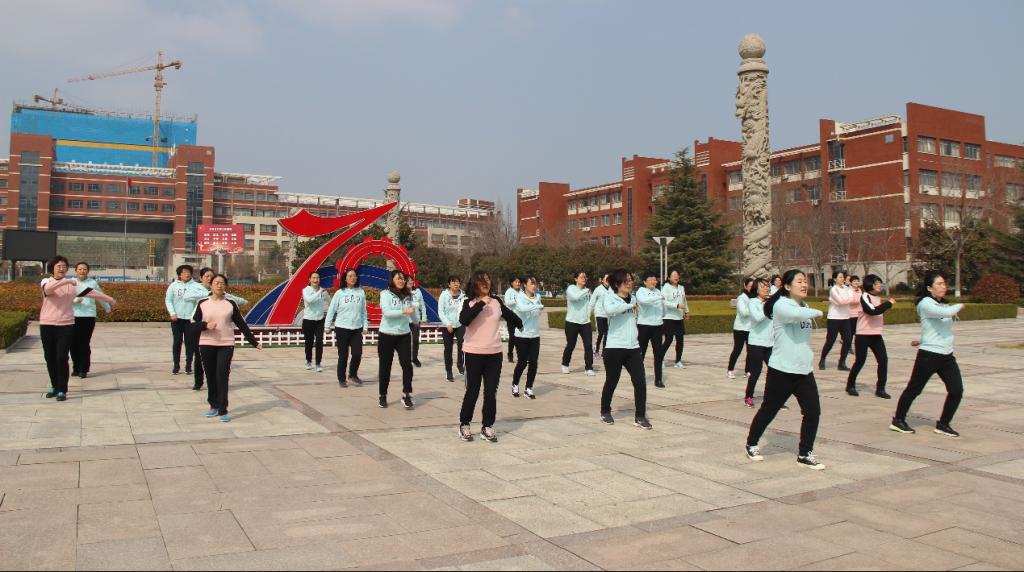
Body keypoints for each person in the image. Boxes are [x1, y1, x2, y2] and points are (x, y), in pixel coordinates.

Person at [745, 269, 825, 470]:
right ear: (787, 286)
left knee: (813, 412)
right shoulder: (781, 305)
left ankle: (805, 453)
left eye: (805, 281)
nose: (804, 284)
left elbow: (801, 318)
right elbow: (795, 315)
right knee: (769, 409)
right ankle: (751, 443)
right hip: (782, 370)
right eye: (799, 281)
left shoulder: (804, 305)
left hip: (804, 370)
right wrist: (819, 311)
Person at [890, 272, 965, 437]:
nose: (943, 287)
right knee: (914, 389)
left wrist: (921, 339)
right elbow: (947, 313)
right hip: (929, 356)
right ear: (929, 288)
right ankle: (898, 420)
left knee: (956, 390)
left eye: (944, 283)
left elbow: (934, 328)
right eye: (939, 284)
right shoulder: (925, 303)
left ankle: (943, 424)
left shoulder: (942, 304)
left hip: (946, 355)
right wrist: (959, 305)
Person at [457, 271, 523, 442]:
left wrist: (520, 324)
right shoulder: (468, 302)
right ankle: (464, 424)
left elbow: (509, 314)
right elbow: (464, 320)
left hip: (494, 354)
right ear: (475, 284)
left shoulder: (496, 301)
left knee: (490, 392)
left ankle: (487, 426)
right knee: (472, 390)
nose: (485, 283)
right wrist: (480, 304)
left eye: (487, 280)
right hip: (473, 353)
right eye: (481, 281)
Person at [39, 256, 116, 401]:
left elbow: (91, 292)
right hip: (47, 325)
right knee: (50, 357)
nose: (62, 268)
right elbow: (49, 290)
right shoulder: (46, 281)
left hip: (66, 325)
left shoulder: (72, 285)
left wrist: (109, 299)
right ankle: (54, 386)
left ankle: (62, 390)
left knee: (62, 357)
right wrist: (67, 281)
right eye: (59, 266)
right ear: (52, 269)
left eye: (64, 266)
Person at [192, 274, 262, 422]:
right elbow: (193, 324)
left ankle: (223, 409)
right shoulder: (202, 303)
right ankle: (213, 405)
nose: (219, 285)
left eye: (222, 283)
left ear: (225, 286)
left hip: (226, 344)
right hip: (206, 343)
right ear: (210, 285)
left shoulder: (231, 304)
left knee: (222, 375)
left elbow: (241, 324)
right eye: (216, 283)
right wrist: (205, 325)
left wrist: (254, 342)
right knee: (211, 376)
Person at [599, 269, 651, 429]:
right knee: (612, 380)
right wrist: (628, 305)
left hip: (633, 348)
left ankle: (640, 416)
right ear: (617, 284)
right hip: (614, 347)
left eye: (630, 280)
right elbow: (610, 311)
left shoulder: (633, 298)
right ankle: (605, 411)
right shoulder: (610, 298)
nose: (629, 283)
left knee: (640, 381)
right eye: (626, 281)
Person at [183, 268, 249, 390]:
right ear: (201, 278)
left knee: (216, 362)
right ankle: (198, 381)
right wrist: (208, 295)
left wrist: (243, 301)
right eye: (207, 276)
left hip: (218, 332)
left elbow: (230, 298)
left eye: (211, 276)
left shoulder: (219, 290)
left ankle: (217, 381)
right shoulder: (194, 288)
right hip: (199, 325)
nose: (209, 278)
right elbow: (186, 297)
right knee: (199, 356)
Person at [846, 274, 895, 398]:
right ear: (870, 285)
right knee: (860, 361)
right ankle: (850, 385)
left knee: (883, 360)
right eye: (877, 283)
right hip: (863, 335)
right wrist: (888, 304)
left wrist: (885, 305)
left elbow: (877, 309)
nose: (880, 285)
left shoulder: (877, 298)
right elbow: (872, 311)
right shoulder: (864, 296)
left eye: (880, 283)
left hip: (876, 335)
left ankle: (880, 389)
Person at [378, 270, 417, 409]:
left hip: (404, 335)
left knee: (407, 365)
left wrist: (416, 320)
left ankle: (407, 394)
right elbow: (387, 313)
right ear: (392, 280)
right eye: (398, 278)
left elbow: (412, 311)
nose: (401, 281)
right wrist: (403, 311)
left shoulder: (408, 295)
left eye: (403, 279)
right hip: (386, 334)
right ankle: (382, 395)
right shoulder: (385, 294)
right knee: (385, 367)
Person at [325, 268, 369, 387]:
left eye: (354, 276)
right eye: (350, 276)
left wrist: (365, 325)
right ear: (345, 278)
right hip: (342, 328)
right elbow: (332, 310)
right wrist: (327, 325)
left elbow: (364, 311)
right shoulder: (340, 293)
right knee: (343, 355)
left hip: (356, 328)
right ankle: (341, 378)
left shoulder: (361, 292)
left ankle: (353, 375)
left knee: (357, 353)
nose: (353, 278)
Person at [71, 262, 112, 379]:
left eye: (84, 269)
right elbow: (64, 298)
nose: (82, 271)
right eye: (80, 269)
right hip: (72, 316)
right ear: (75, 271)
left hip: (88, 316)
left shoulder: (92, 283)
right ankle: (76, 367)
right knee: (72, 343)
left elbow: (100, 296)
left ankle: (83, 369)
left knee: (84, 343)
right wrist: (74, 300)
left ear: (88, 271)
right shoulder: (71, 283)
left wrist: (107, 308)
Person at [512, 276, 544, 399]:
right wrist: (537, 306)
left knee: (533, 362)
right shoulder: (519, 297)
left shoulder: (538, 297)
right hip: (522, 335)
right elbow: (522, 309)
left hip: (535, 335)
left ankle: (528, 388)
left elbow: (538, 311)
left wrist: (537, 306)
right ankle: (515, 384)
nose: (534, 286)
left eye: (535, 283)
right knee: (522, 362)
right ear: (525, 285)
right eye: (532, 283)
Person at [636, 271, 668, 389]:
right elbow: (644, 301)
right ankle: (639, 378)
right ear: (645, 282)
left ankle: (658, 379)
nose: (653, 281)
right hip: (644, 326)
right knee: (641, 353)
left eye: (654, 279)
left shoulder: (658, 291)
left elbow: (663, 306)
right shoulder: (641, 291)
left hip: (657, 326)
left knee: (658, 354)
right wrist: (659, 297)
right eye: (650, 279)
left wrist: (663, 317)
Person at [744, 278, 772, 408]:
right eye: (763, 286)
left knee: (774, 371)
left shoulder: (771, 302)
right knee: (756, 371)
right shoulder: (752, 302)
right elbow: (758, 318)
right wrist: (769, 306)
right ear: (756, 289)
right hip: (756, 343)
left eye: (767, 286)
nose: (766, 288)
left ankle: (772, 398)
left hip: (771, 342)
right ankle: (748, 396)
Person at [561, 271, 595, 377]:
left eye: (585, 277)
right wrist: (586, 291)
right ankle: (565, 364)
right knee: (571, 344)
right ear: (576, 279)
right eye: (581, 277)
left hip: (585, 322)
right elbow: (575, 297)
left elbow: (590, 304)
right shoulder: (571, 288)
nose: (584, 278)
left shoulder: (586, 291)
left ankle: (589, 368)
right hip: (572, 322)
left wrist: (588, 315)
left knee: (588, 345)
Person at [819, 270, 854, 371]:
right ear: (835, 279)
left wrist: (844, 300)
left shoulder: (847, 288)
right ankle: (822, 359)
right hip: (834, 318)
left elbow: (851, 299)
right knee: (830, 341)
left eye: (843, 277)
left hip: (845, 317)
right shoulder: (833, 289)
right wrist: (845, 300)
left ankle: (842, 362)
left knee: (848, 340)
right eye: (840, 277)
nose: (842, 279)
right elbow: (841, 301)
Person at [165, 264, 196, 376]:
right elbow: (168, 300)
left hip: (190, 320)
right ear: (179, 274)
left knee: (189, 343)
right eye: (184, 272)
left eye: (188, 272)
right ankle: (176, 365)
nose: (186, 274)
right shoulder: (173, 286)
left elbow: (199, 301)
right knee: (177, 342)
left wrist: (195, 316)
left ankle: (188, 366)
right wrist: (172, 313)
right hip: (177, 319)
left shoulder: (195, 286)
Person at [438, 275, 467, 382]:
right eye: (453, 282)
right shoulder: (444, 295)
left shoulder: (463, 296)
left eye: (457, 282)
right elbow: (441, 311)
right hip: (447, 325)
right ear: (449, 284)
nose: (456, 284)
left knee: (462, 344)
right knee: (448, 348)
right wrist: (447, 324)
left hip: (460, 324)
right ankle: (449, 371)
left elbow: (465, 309)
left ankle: (460, 364)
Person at [301, 272, 330, 372]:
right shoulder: (305, 290)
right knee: (309, 342)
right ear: (309, 279)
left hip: (320, 320)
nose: (315, 280)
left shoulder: (323, 291)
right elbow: (309, 300)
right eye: (313, 278)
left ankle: (318, 363)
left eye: (317, 278)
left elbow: (330, 302)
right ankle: (308, 361)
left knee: (319, 342)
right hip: (308, 320)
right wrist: (319, 292)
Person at [661, 270, 689, 369]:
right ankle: (660, 359)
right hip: (669, 317)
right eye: (673, 275)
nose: (676, 277)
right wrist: (676, 305)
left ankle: (678, 361)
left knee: (680, 340)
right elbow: (664, 302)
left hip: (679, 317)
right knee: (668, 340)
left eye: (677, 275)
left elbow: (684, 300)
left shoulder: (681, 287)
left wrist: (686, 311)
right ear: (669, 278)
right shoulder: (666, 288)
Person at [727, 278, 754, 379]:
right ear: (745, 286)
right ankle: (730, 369)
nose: (752, 288)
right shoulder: (741, 298)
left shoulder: (755, 297)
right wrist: (754, 308)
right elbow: (744, 312)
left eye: (753, 286)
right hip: (740, 328)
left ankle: (748, 370)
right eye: (750, 286)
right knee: (737, 349)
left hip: (751, 328)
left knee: (750, 351)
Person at [408, 277, 427, 367]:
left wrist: (424, 317)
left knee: (415, 340)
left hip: (415, 320)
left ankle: (414, 358)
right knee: (405, 341)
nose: (410, 282)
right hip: (404, 320)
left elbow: (422, 305)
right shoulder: (401, 292)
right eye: (408, 280)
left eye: (411, 280)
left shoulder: (418, 292)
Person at [590, 274, 611, 358]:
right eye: (606, 279)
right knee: (600, 333)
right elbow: (592, 302)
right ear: (602, 280)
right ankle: (596, 350)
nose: (608, 281)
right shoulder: (598, 289)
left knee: (607, 334)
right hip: (599, 314)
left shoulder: (612, 290)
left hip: (608, 315)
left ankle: (604, 352)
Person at [503, 277, 522, 363]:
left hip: (520, 317)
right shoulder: (509, 292)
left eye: (519, 282)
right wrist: (516, 300)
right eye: (516, 282)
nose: (518, 284)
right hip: (511, 317)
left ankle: (520, 356)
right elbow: (507, 303)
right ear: (512, 283)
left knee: (521, 337)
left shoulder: (521, 291)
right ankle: (510, 354)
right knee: (513, 337)